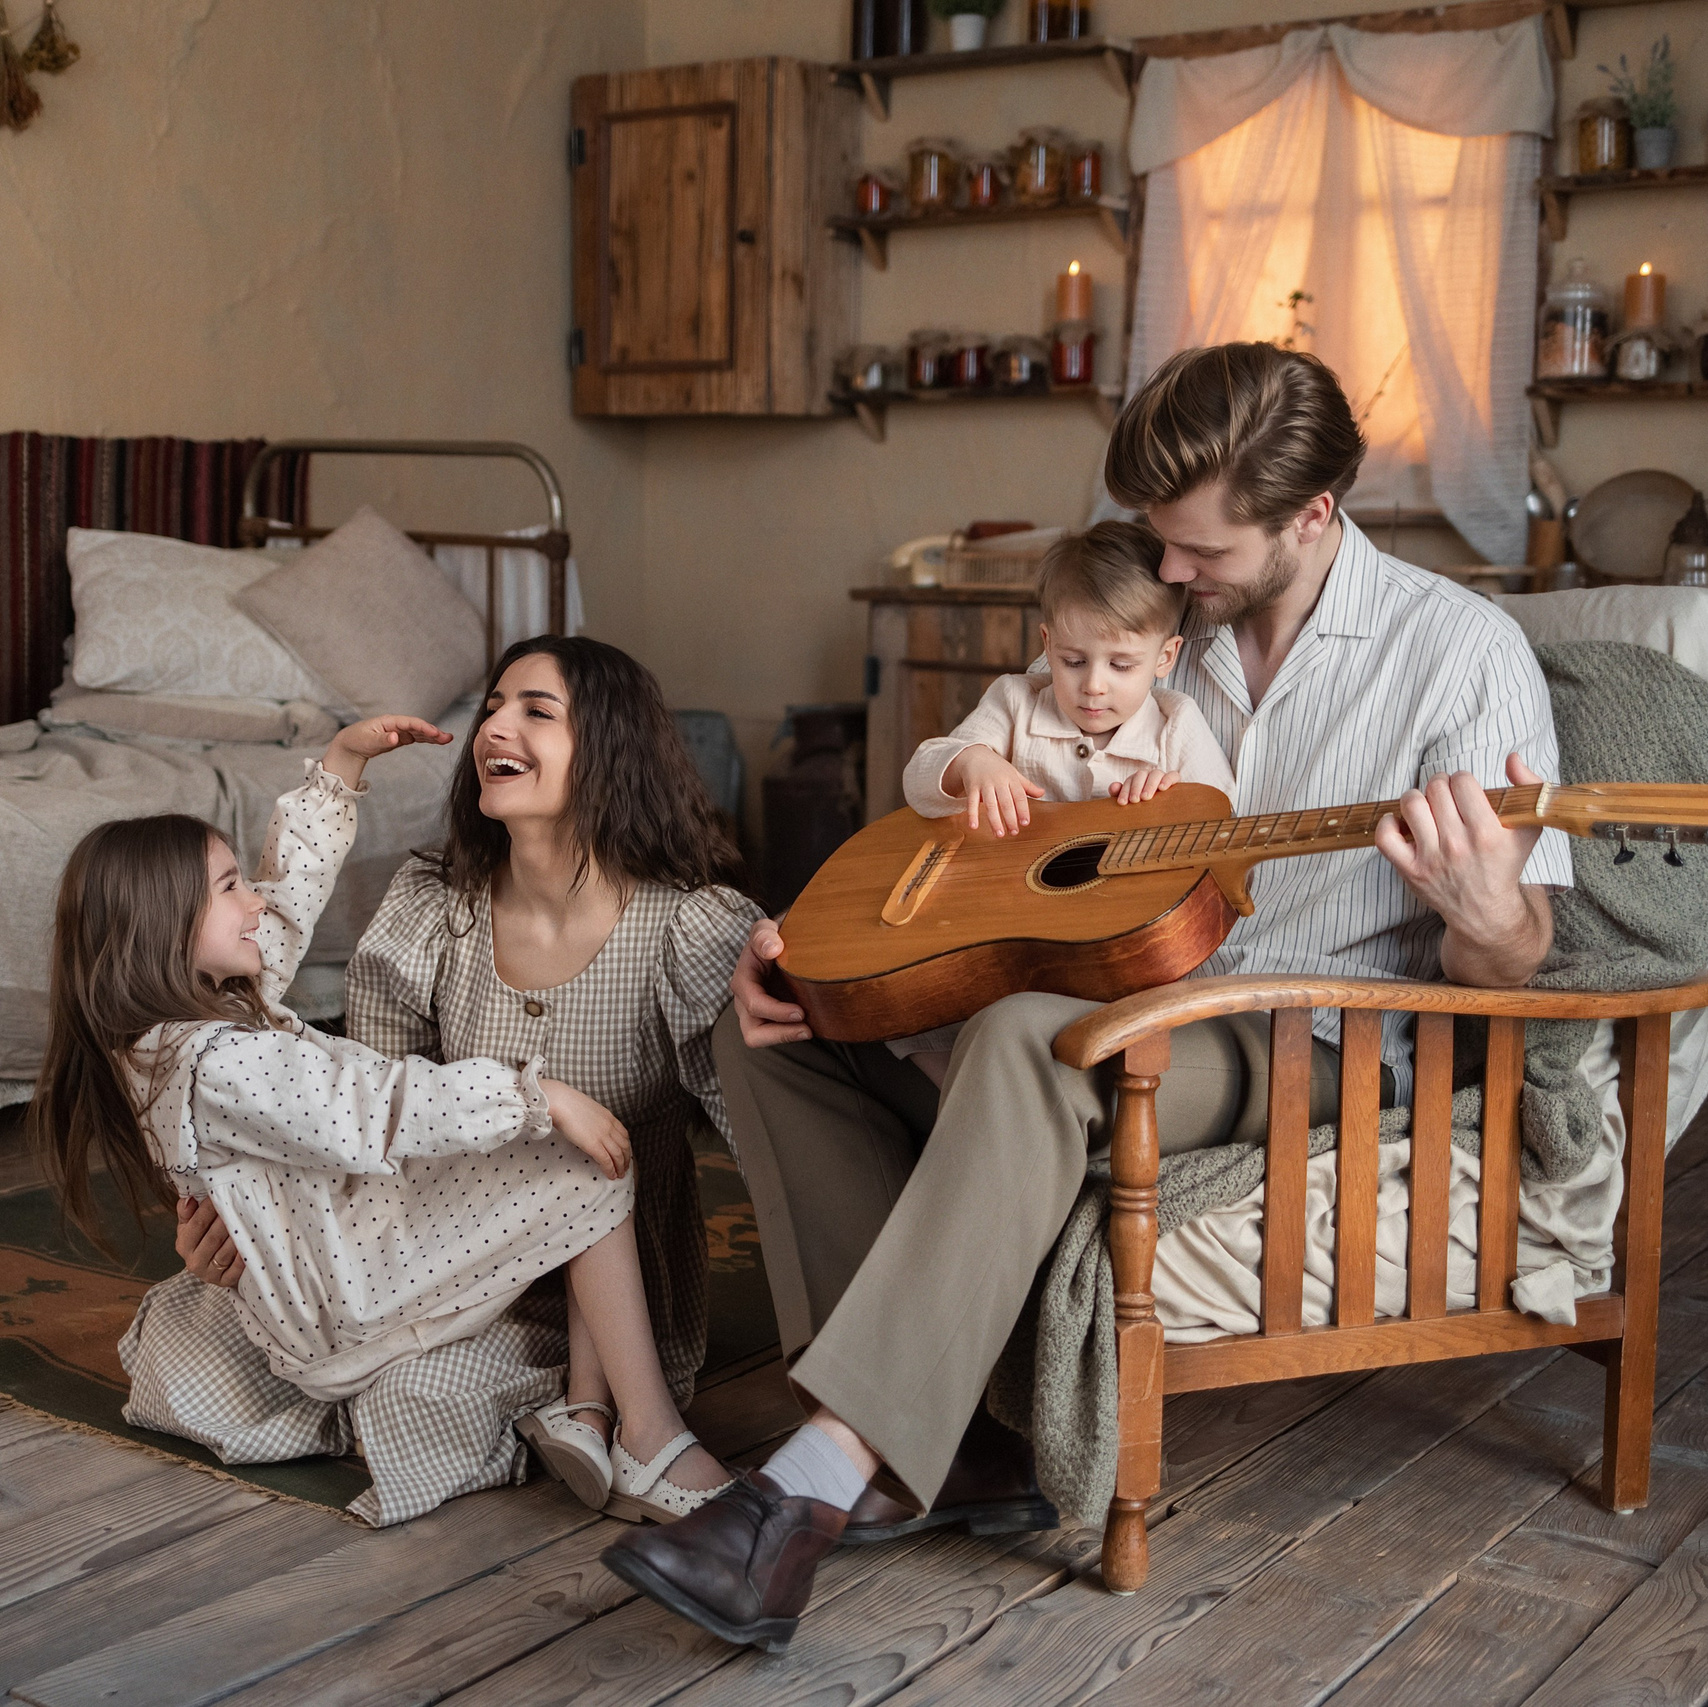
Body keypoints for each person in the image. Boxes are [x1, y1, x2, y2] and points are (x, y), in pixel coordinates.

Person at [601, 341, 1573, 1652]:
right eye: (1160, 539)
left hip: (1306, 1038)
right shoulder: (1139, 629)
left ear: (1313, 514)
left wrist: (1489, 913)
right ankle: (955, 1449)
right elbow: (985, 819)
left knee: (1030, 1036)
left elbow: (1517, 959)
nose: (1171, 568)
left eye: (1201, 549)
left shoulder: (1461, 654)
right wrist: (833, 944)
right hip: (1094, 986)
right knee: (773, 1023)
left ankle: (812, 1482)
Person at [32, 711, 734, 1528]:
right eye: (228, 888)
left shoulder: (181, 1028)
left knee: (562, 1165)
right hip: (351, 1292)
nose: (254, 900)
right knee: (589, 1162)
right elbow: (375, 1102)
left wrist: (341, 767)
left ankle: (583, 1410)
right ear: (161, 929)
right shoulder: (221, 1063)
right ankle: (649, 1436)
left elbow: (283, 904)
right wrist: (535, 1095)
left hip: (329, 1272)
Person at [891, 518, 1235, 1090]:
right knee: (910, 1015)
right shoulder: (1015, 702)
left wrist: (1171, 804)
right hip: (1006, 940)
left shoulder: (1176, 725)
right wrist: (971, 762)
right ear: (1047, 644)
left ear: (1166, 656)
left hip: (1119, 959)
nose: (1094, 685)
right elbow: (920, 775)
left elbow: (1226, 832)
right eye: (1074, 661)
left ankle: (1016, 1094)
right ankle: (965, 1093)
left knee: (1097, 1029)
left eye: (1121, 665)